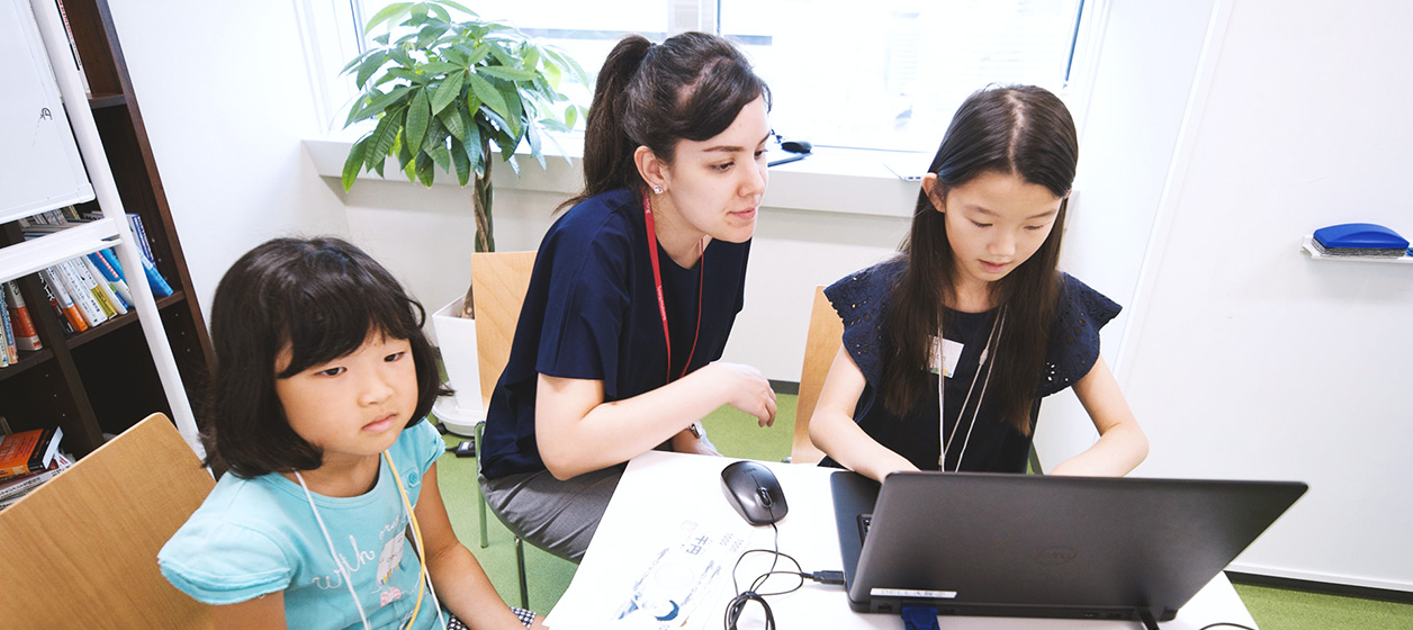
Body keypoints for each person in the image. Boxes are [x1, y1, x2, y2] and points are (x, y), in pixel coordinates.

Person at [478, 32, 778, 563]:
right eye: (723, 164)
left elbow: (672, 361)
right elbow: (564, 449)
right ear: (656, 169)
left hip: (640, 443)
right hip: (540, 474)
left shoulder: (726, 227)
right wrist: (719, 383)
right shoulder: (592, 244)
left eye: (759, 152)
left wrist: (692, 442)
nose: (754, 184)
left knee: (754, 540)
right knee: (706, 558)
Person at [158, 237, 541, 630]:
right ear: (257, 386)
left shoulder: (405, 441)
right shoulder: (245, 536)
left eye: (392, 356)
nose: (379, 393)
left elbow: (442, 553)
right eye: (333, 370)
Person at [809, 85, 1149, 482]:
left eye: (1034, 225)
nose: (1005, 248)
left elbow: (1128, 435)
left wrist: (1068, 478)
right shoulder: (888, 291)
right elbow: (828, 420)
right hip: (876, 490)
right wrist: (897, 475)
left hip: (983, 509)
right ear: (937, 194)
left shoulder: (1057, 305)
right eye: (982, 222)